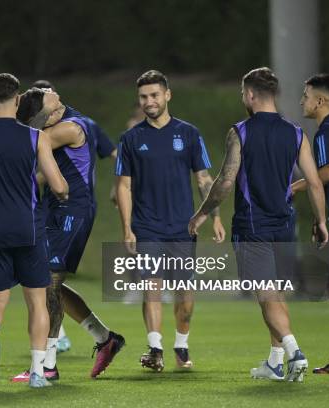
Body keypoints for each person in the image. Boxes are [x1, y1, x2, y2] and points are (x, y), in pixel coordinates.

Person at [189, 67, 328, 382]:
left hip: (253, 226)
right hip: (285, 224)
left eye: (242, 93)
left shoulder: (241, 131)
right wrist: (321, 221)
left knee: (265, 293)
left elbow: (225, 182)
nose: (243, 98)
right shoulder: (296, 133)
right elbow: (316, 183)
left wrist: (201, 213)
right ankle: (276, 362)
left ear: (250, 94)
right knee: (276, 293)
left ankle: (294, 351)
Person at [0, 73, 68, 388]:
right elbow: (58, 184)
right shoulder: (36, 138)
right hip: (29, 229)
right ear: (18, 99)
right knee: (36, 301)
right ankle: (36, 372)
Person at [14, 87, 125, 381]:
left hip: (72, 210)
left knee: (47, 282)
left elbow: (30, 143)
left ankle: (47, 365)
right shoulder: (55, 123)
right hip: (56, 207)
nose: (49, 90)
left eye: (46, 91)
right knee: (51, 284)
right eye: (44, 94)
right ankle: (104, 338)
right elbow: (41, 168)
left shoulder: (69, 128)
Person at [116, 70, 225, 372]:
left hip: (182, 228)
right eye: (143, 97)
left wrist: (214, 215)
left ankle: (180, 343)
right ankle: (155, 349)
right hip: (147, 227)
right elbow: (123, 186)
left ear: (167, 95)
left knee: (185, 298)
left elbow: (204, 179)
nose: (149, 101)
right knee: (151, 288)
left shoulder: (189, 134)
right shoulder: (130, 138)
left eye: (154, 95)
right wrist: (127, 228)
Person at [292, 74, 329, 374]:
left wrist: (296, 186)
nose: (302, 100)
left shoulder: (327, 131)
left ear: (319, 100)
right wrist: (322, 218)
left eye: (305, 95)